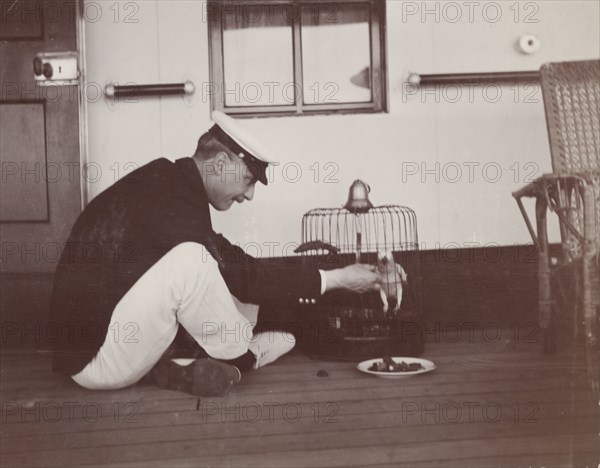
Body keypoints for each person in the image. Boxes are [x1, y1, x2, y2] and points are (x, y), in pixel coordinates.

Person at [48, 111, 382, 396]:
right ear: (221, 163)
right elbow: (238, 274)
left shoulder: (170, 181)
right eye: (249, 181)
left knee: (219, 273)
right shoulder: (174, 195)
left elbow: (234, 267)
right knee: (195, 264)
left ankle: (178, 364)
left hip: (100, 341)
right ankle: (243, 357)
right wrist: (337, 279)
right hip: (96, 361)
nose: (249, 196)